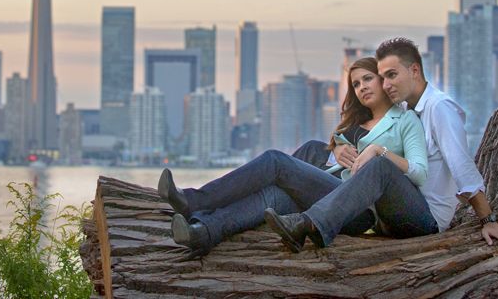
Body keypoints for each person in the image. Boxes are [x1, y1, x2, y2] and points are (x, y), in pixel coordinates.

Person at [159, 57, 437, 256]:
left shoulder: (404, 121)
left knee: (274, 161)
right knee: (276, 195)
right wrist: (334, 150)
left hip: (358, 209)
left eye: (368, 79)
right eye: (355, 84)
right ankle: (203, 231)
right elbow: (328, 163)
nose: (361, 87)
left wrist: (380, 151)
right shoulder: (352, 128)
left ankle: (194, 201)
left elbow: (418, 171)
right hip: (330, 189)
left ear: (384, 81)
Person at [373, 37, 498, 251]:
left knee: (380, 164)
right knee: (316, 151)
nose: (385, 85)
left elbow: (461, 165)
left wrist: (488, 221)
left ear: (414, 70)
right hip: (400, 208)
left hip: (426, 219)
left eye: (392, 75)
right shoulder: (405, 110)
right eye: (382, 78)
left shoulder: (439, 108)